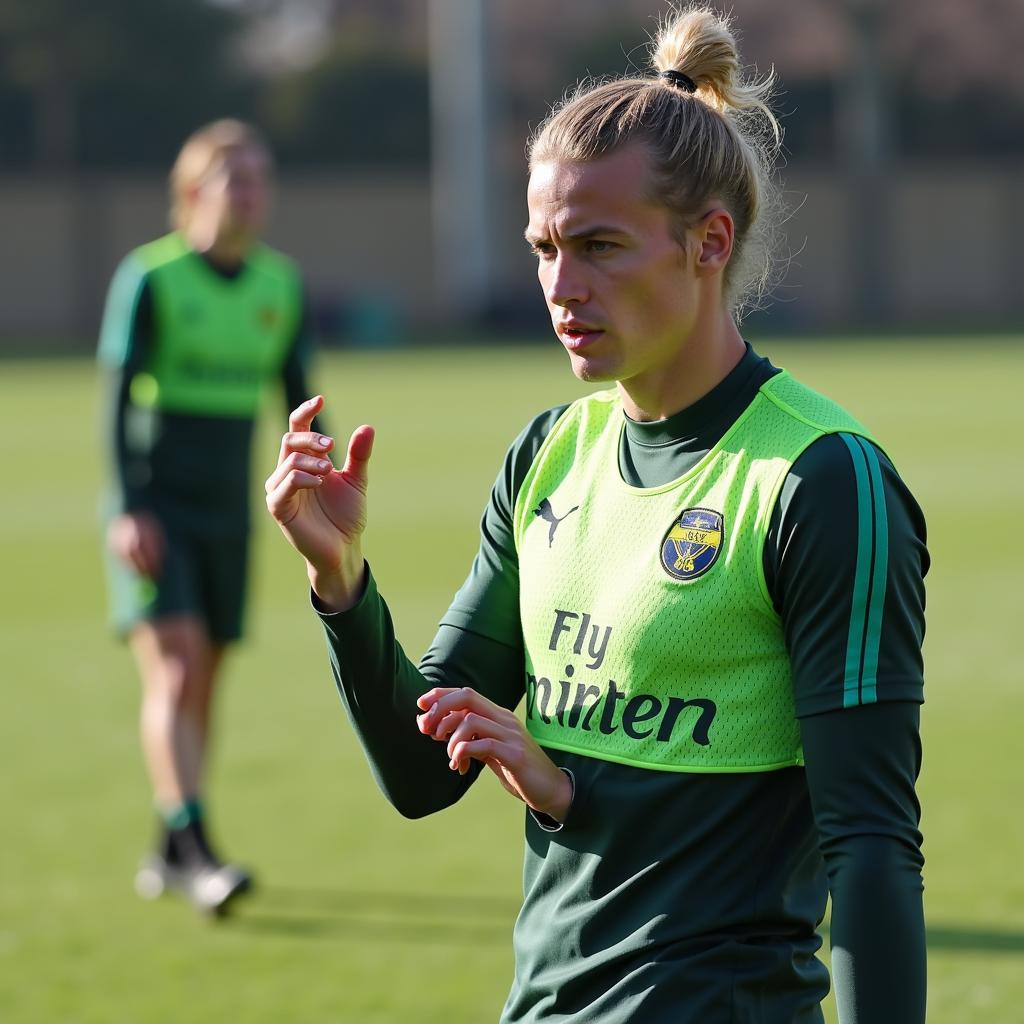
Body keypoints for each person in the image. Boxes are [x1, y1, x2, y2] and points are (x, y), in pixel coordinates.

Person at [266, 5, 927, 1021]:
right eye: (543, 248)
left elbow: (870, 849)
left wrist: (576, 793)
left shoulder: (819, 480)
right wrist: (339, 580)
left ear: (709, 242)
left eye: (600, 246)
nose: (560, 287)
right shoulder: (551, 454)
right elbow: (420, 769)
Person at [99, 119, 320, 915]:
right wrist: (128, 508)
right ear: (195, 192)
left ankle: (168, 837)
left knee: (206, 682)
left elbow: (301, 404)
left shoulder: (279, 286)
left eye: (262, 178)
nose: (253, 194)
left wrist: (320, 486)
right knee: (180, 669)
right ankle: (196, 852)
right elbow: (117, 398)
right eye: (238, 178)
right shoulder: (151, 278)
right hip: (157, 505)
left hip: (231, 510)